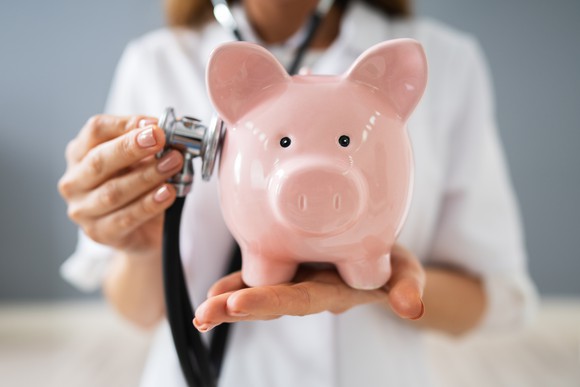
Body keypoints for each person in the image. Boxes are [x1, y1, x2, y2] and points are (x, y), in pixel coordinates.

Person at [58, 0, 537, 386]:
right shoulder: (156, 61)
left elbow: (495, 296)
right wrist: (145, 243)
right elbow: (138, 311)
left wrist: (386, 285)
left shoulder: (446, 59)